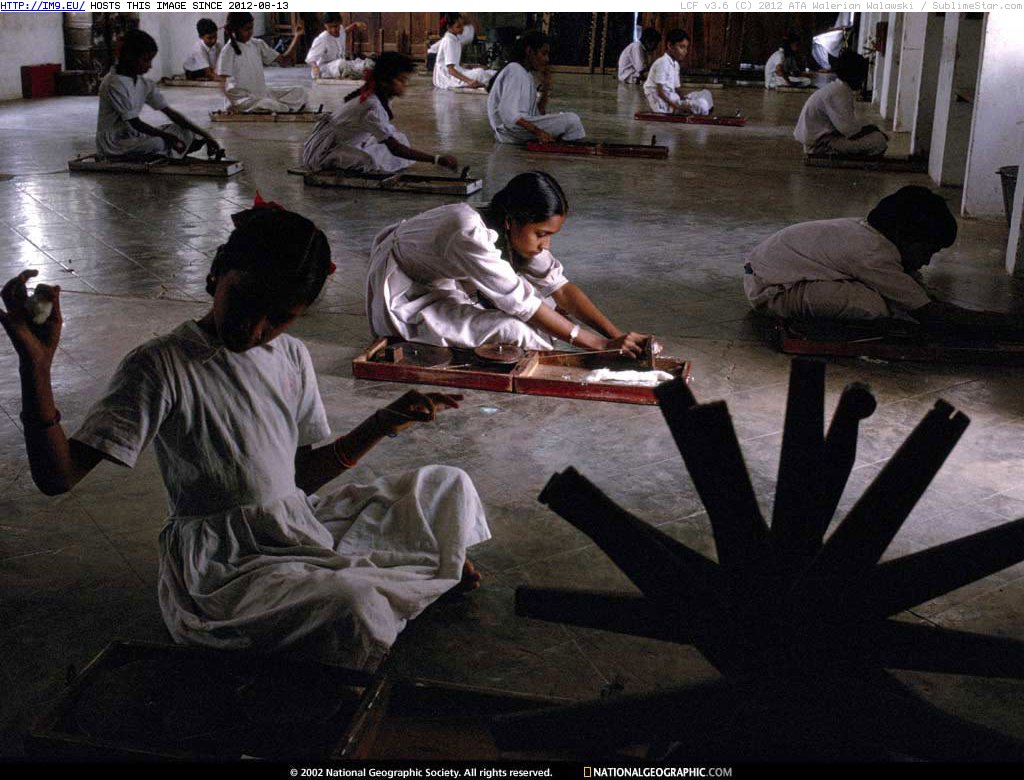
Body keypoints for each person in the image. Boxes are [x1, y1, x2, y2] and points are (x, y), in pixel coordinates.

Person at [0, 200, 490, 670]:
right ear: (215, 275)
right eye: (245, 302)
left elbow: (297, 477)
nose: (256, 328)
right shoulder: (162, 366)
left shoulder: (292, 356)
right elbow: (57, 477)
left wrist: (379, 425)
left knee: (447, 484)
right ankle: (414, 580)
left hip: (300, 527)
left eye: (279, 317)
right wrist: (36, 369)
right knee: (354, 602)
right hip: (227, 565)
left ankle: (405, 582)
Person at [366, 171, 648, 354]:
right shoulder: (468, 231)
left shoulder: (506, 225)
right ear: (511, 221)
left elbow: (560, 288)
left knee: (551, 314)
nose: (545, 245)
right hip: (406, 294)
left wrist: (615, 336)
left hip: (440, 284)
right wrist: (599, 345)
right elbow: (522, 303)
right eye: (541, 234)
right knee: (517, 330)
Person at [743, 186, 1024, 332]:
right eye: (926, 251)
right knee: (873, 305)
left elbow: (917, 294)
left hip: (771, 275)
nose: (926, 261)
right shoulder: (873, 253)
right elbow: (928, 313)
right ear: (903, 235)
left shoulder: (873, 236)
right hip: (771, 291)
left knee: (897, 295)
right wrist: (1004, 323)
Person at [303, 52, 458, 174]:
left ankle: (355, 155)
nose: (405, 85)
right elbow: (394, 149)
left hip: (348, 141)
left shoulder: (379, 96)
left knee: (400, 139)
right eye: (401, 80)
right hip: (324, 150)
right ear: (385, 81)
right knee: (369, 161)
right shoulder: (372, 106)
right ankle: (335, 163)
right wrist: (436, 159)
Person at [96, 29, 221, 160]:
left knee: (185, 132)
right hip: (115, 143)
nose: (149, 66)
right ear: (129, 57)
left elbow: (170, 113)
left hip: (134, 136)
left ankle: (168, 152)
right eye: (145, 60)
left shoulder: (144, 84)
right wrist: (168, 138)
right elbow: (135, 123)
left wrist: (205, 135)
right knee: (158, 142)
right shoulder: (114, 83)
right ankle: (168, 152)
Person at [486, 31, 585, 145]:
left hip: (516, 129)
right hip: (508, 131)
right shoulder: (515, 69)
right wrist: (539, 132)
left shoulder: (527, 75)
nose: (547, 59)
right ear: (529, 51)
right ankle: (560, 142)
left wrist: (546, 87)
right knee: (572, 120)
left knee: (565, 117)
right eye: (544, 54)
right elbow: (509, 114)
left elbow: (537, 114)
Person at [793, 48, 886, 157]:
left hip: (820, 139)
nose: (862, 81)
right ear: (853, 75)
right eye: (861, 76)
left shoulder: (839, 88)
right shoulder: (840, 92)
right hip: (820, 144)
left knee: (875, 136)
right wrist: (869, 130)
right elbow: (850, 131)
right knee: (879, 141)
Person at [218, 12, 308, 113]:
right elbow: (221, 81)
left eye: (251, 28)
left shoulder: (257, 44)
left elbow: (284, 61)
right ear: (235, 30)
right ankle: (285, 108)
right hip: (242, 101)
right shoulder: (228, 51)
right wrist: (230, 103)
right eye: (246, 29)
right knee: (267, 104)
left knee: (300, 91)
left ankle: (281, 107)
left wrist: (296, 37)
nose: (250, 32)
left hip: (262, 94)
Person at [643, 29, 713, 116]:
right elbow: (660, 92)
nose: (685, 51)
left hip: (673, 98)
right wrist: (677, 107)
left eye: (686, 48)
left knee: (706, 93)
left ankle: (697, 107)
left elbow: (677, 89)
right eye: (682, 47)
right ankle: (699, 109)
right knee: (703, 105)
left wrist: (684, 99)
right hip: (663, 103)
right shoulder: (662, 63)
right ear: (670, 46)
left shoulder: (675, 64)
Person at [432, 12, 496, 90]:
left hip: (457, 72)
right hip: (447, 77)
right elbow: (451, 70)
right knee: (480, 73)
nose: (462, 28)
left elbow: (456, 64)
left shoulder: (455, 39)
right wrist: (469, 81)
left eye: (462, 25)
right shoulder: (449, 41)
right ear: (449, 27)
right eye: (458, 27)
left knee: (491, 72)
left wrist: (472, 66)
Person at [306, 12, 369, 80]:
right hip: (324, 69)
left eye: (336, 26)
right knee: (342, 63)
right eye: (329, 27)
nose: (333, 30)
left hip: (341, 63)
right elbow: (311, 58)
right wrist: (315, 67)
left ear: (340, 23)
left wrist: (355, 25)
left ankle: (357, 71)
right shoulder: (322, 39)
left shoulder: (341, 30)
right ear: (325, 25)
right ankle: (352, 73)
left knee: (361, 63)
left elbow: (345, 31)